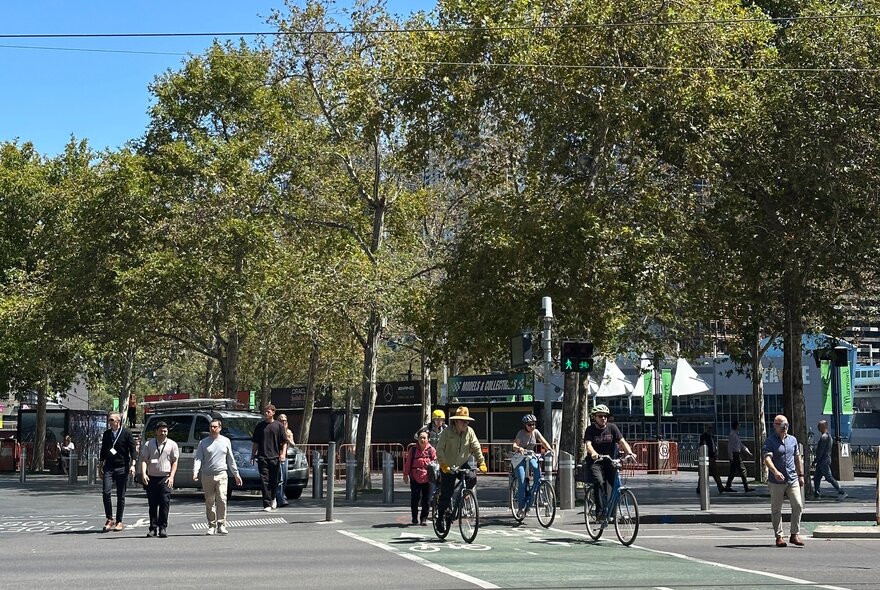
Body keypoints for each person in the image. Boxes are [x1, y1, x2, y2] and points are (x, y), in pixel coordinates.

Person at [435, 406, 487, 533]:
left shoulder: (470, 432)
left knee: (472, 477)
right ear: (456, 421)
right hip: (447, 464)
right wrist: (443, 464)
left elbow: (476, 447)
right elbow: (440, 449)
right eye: (462, 421)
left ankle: (464, 497)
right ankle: (440, 516)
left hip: (462, 463)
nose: (465, 423)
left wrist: (482, 462)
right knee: (446, 493)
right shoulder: (447, 432)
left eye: (467, 421)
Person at [583, 404, 636, 516]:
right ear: (594, 417)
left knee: (616, 484)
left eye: (605, 416)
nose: (603, 418)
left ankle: (613, 510)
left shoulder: (612, 428)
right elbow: (588, 444)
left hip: (611, 461)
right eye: (600, 416)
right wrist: (593, 453)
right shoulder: (590, 430)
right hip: (596, 462)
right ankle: (600, 511)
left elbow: (622, 441)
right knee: (599, 482)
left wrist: (629, 453)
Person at [194, 419, 243, 535]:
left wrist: (236, 475)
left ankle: (221, 524)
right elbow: (198, 458)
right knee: (210, 501)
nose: (213, 429)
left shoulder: (226, 441)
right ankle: (211, 525)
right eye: (211, 427)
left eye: (215, 427)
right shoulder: (203, 443)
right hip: (207, 475)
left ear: (220, 428)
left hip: (221, 474)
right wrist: (195, 471)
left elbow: (230, 460)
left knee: (222, 499)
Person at [763, 414, 805, 547]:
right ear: (775, 426)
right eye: (782, 425)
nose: (785, 427)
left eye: (786, 425)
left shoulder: (792, 440)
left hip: (792, 478)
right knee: (776, 509)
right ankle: (779, 536)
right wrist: (775, 472)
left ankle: (794, 534)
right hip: (776, 481)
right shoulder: (770, 441)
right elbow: (767, 459)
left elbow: (797, 458)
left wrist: (801, 475)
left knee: (798, 505)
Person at [98, 411, 138, 532]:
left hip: (122, 467)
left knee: (121, 495)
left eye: (111, 420)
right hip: (109, 467)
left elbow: (133, 450)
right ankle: (109, 518)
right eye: (108, 420)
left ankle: (119, 521)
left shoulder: (126, 433)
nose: (109, 422)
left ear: (118, 421)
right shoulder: (106, 434)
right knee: (106, 492)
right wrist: (100, 466)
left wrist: (133, 465)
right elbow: (103, 450)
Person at [140, 421, 179, 538]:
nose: (163, 433)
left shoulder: (172, 444)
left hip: (165, 478)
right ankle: (153, 528)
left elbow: (175, 462)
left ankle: (163, 528)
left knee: (164, 503)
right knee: (152, 505)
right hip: (152, 478)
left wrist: (171, 476)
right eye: (161, 431)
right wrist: (143, 474)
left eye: (165, 431)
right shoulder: (149, 444)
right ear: (156, 432)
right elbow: (144, 460)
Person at [512, 413, 551, 514]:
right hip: (520, 457)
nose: (532, 426)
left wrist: (550, 449)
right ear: (525, 425)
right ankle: (520, 508)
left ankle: (531, 498)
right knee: (521, 481)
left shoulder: (536, 432)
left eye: (533, 424)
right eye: (529, 425)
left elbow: (544, 442)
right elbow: (514, 445)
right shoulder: (521, 433)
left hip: (531, 455)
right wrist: (519, 448)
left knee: (537, 473)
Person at [251, 404, 287, 512]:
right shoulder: (260, 426)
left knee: (274, 480)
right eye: (265, 411)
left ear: (273, 413)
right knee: (264, 480)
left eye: (268, 411)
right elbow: (255, 443)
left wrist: (283, 454)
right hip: (262, 457)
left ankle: (273, 497)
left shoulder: (278, 426)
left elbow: (284, 442)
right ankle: (266, 503)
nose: (266, 413)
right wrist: (252, 455)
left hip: (275, 457)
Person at [403, 430, 436, 525]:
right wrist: (405, 475)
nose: (422, 439)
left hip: (428, 478)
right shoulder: (413, 450)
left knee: (427, 500)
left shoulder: (431, 450)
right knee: (415, 498)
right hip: (415, 477)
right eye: (420, 437)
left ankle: (424, 519)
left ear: (428, 439)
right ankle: (414, 518)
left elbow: (436, 462)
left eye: (424, 438)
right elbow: (408, 463)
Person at [812, 420, 847, 500]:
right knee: (817, 478)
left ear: (824, 426)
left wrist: (815, 460)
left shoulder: (824, 437)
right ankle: (817, 494)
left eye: (819, 426)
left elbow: (820, 451)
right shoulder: (829, 437)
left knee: (829, 477)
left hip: (823, 461)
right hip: (824, 460)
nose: (818, 428)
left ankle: (841, 492)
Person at [725, 419, 754, 492]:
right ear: (736, 426)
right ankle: (746, 487)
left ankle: (728, 486)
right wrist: (730, 456)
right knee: (743, 470)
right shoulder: (732, 434)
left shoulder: (736, 434)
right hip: (735, 455)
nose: (740, 426)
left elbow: (741, 445)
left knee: (732, 471)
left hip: (736, 454)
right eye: (739, 425)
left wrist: (748, 452)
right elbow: (730, 446)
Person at [697, 423, 725, 494]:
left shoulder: (712, 436)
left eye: (711, 428)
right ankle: (699, 488)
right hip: (707, 457)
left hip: (712, 457)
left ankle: (720, 487)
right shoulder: (703, 436)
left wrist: (715, 452)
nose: (710, 429)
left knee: (716, 473)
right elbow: (702, 446)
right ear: (705, 428)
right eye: (709, 428)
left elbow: (714, 446)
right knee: (703, 473)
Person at [275, 413, 296, 508]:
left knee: (285, 478)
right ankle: (279, 498)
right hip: (275, 456)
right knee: (280, 479)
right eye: (281, 420)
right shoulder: (275, 429)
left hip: (285, 457)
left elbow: (293, 444)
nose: (283, 422)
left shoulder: (288, 432)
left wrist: (286, 436)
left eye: (285, 421)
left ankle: (281, 495)